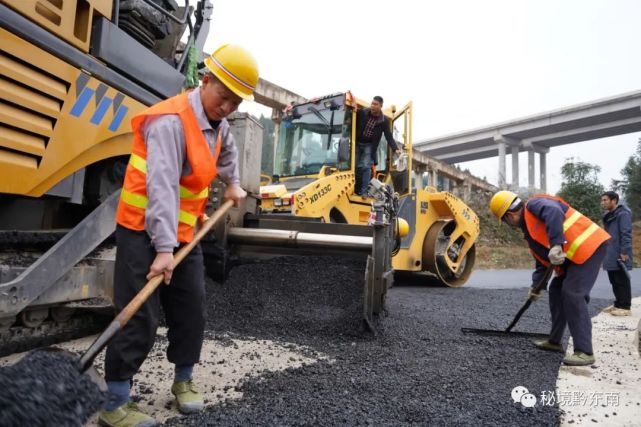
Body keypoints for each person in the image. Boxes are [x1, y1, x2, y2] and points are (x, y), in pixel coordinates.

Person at [99, 44, 259, 427]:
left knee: (191, 308)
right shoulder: (170, 120)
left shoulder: (218, 125)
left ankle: (183, 380)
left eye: (235, 104)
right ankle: (115, 403)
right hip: (142, 228)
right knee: (139, 314)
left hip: (186, 231)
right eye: (223, 98)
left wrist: (234, 184)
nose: (226, 108)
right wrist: (163, 250)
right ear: (206, 81)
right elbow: (162, 188)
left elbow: (227, 152)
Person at [489, 191, 610, 366]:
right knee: (556, 290)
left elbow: (554, 212)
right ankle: (554, 341)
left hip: (589, 247)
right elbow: (542, 262)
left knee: (573, 293)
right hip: (573, 258)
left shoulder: (534, 205)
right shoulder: (529, 231)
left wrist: (556, 244)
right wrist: (536, 287)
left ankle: (584, 351)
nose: (508, 225)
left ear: (509, 215)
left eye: (505, 221)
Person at [354, 96, 401, 196]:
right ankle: (354, 189)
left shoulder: (383, 121)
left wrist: (395, 149)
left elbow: (389, 136)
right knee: (355, 166)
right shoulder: (363, 112)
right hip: (358, 143)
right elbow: (353, 115)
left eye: (375, 104)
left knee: (366, 167)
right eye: (372, 103)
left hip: (369, 145)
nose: (373, 106)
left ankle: (364, 192)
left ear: (380, 106)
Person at [600, 191, 633, 316]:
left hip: (619, 252)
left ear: (614, 201)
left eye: (605, 200)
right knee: (614, 279)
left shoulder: (623, 214)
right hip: (611, 251)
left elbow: (626, 234)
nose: (602, 203)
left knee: (621, 280)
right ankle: (618, 304)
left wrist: (624, 252)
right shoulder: (609, 215)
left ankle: (625, 307)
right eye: (602, 200)